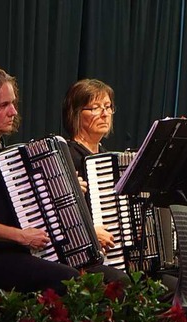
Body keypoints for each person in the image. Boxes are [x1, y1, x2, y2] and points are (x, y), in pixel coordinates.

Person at [0, 64, 79, 295]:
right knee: (68, 279)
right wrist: (20, 236)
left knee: (79, 267)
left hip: (6, 253)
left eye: (13, 103)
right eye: (4, 105)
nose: (13, 112)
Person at [61, 79, 131, 285]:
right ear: (76, 114)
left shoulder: (109, 159)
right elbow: (57, 216)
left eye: (108, 107)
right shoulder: (65, 156)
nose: (105, 113)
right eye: (95, 108)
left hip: (114, 253)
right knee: (121, 282)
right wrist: (90, 232)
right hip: (79, 256)